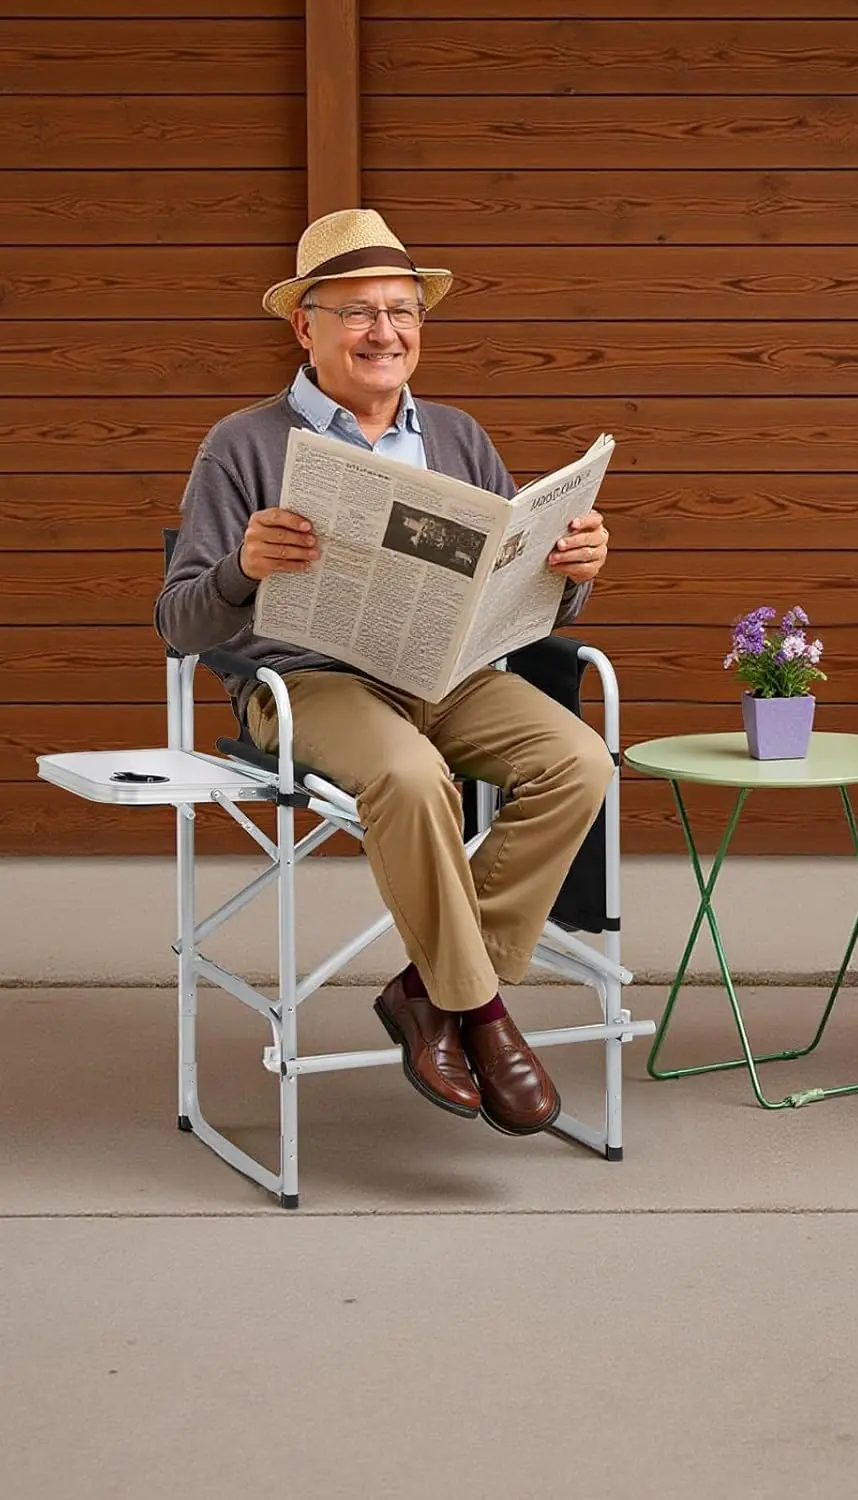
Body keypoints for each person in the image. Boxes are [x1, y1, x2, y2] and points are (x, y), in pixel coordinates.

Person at [156, 208, 614, 1138]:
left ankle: (426, 993)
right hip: (308, 685)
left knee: (579, 761)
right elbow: (178, 624)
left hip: (449, 675)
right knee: (411, 775)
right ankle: (481, 1012)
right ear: (306, 326)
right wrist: (243, 569)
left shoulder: (456, 435)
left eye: (403, 311)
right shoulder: (243, 444)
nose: (386, 331)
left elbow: (516, 595)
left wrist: (571, 574)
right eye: (359, 311)